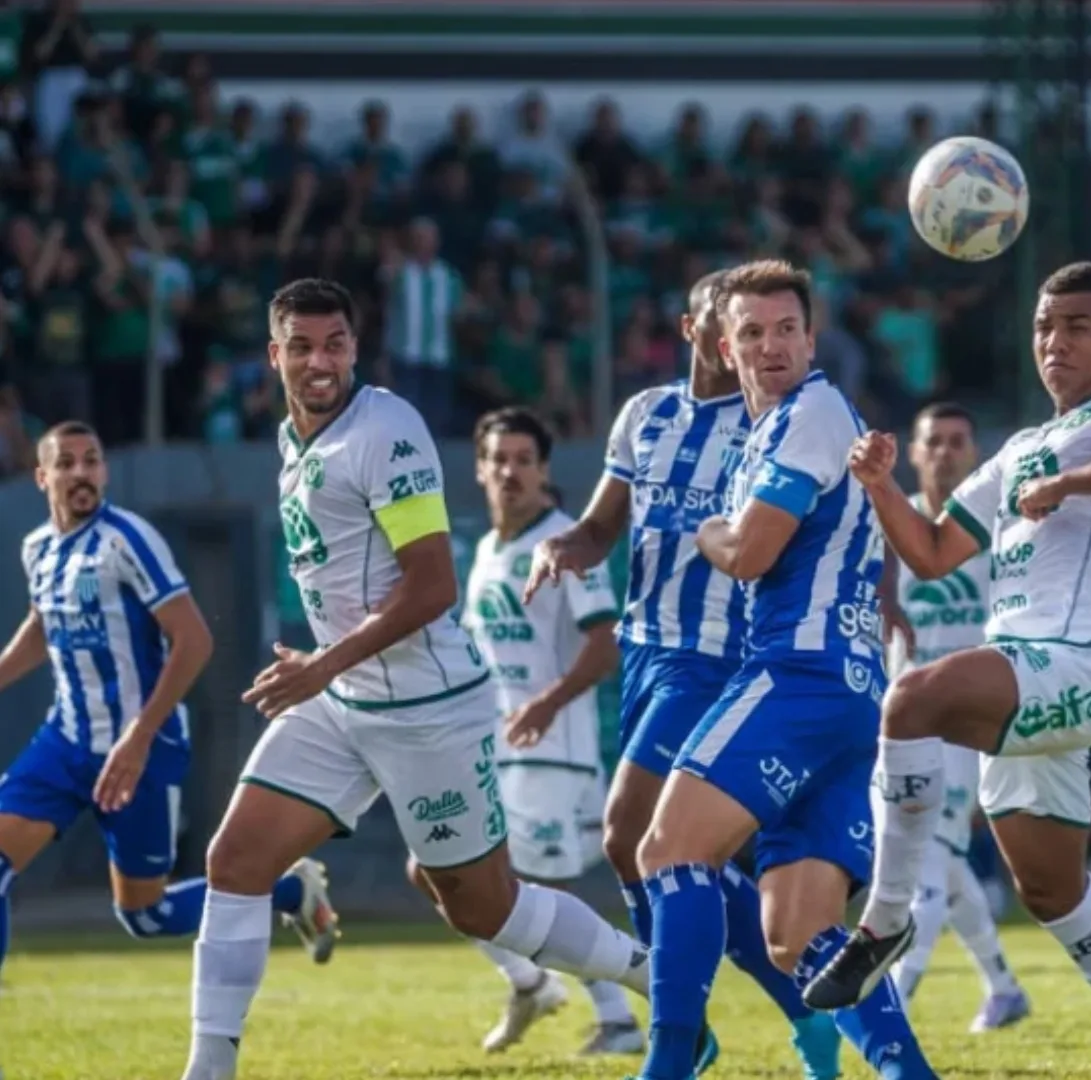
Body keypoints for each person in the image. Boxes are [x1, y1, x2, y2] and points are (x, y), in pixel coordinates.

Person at [181, 279, 656, 1080]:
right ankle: (207, 1069)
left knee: (484, 905)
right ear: (275, 356)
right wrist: (327, 674)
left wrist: (320, 665)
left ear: (355, 349)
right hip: (341, 700)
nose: (319, 361)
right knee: (235, 862)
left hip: (425, 709)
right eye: (300, 347)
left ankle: (655, 980)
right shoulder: (293, 438)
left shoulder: (387, 429)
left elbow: (431, 585)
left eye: (334, 344)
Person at [805, 262, 1091, 1080]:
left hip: (1082, 664)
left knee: (913, 696)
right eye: (1043, 327)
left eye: (1076, 325)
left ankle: (884, 922)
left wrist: (1071, 482)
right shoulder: (1018, 452)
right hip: (1029, 678)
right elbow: (928, 555)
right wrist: (883, 487)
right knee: (1051, 891)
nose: (1055, 341)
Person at [621, 259, 936, 1080]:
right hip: (847, 696)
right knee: (797, 936)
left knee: (666, 853)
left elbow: (750, 550)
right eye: (751, 332)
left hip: (800, 673)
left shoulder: (814, 410)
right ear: (724, 347)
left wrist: (709, 534)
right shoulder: (771, 431)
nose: (771, 346)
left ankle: (666, 1065)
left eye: (786, 328)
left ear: (811, 335)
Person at [525, 270, 840, 1077]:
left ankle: (678, 1036)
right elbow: (601, 527)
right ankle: (804, 1009)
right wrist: (566, 547)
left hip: (720, 655)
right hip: (645, 654)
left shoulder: (773, 419)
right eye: (722, 322)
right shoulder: (646, 415)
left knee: (630, 832)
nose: (738, 339)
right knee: (674, 865)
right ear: (695, 327)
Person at [0, 422, 332, 981]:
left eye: (92, 460)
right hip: (65, 741)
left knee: (145, 916)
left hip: (141, 749)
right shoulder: (38, 549)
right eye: (67, 463)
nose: (82, 473)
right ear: (42, 476)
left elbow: (195, 639)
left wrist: (139, 736)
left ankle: (291, 889)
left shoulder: (126, 539)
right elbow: (42, 624)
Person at [415, 405, 637, 1055]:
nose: (508, 471)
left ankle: (620, 1018)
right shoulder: (485, 550)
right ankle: (529, 982)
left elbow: (605, 645)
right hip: (489, 751)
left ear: (543, 470)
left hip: (551, 753)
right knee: (429, 865)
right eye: (496, 459)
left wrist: (546, 703)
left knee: (538, 892)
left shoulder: (567, 540)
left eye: (521, 460)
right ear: (479, 469)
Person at [885, 401, 1032, 1033]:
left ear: (974, 455)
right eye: (933, 442)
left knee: (923, 862)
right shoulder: (891, 526)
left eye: (956, 441)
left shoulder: (994, 532)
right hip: (903, 717)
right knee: (940, 860)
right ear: (914, 453)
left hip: (967, 720)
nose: (944, 452)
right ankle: (1004, 988)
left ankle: (893, 1005)